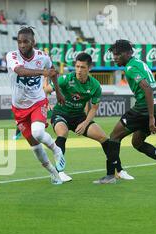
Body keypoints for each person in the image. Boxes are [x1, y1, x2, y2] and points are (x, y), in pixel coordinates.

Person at [95, 39, 156, 184]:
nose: (115, 57)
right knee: (137, 142)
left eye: (118, 54)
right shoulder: (140, 63)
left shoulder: (131, 67)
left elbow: (146, 88)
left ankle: (110, 176)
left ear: (128, 53)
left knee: (114, 136)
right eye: (114, 54)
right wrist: (153, 115)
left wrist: (150, 117)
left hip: (145, 108)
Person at [44, 53, 134, 183]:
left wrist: (85, 123)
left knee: (104, 138)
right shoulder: (66, 79)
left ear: (89, 68)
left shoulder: (95, 85)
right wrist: (46, 104)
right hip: (60, 114)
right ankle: (59, 172)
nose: (79, 70)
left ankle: (119, 170)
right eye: (77, 66)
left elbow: (94, 108)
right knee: (62, 133)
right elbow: (46, 90)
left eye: (83, 67)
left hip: (79, 117)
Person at [6, 27, 66, 185]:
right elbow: (20, 71)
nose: (22, 45)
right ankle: (53, 172)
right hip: (18, 108)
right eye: (19, 41)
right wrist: (42, 72)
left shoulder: (43, 57)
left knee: (38, 133)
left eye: (26, 41)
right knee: (34, 144)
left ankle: (56, 150)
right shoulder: (12, 56)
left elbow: (53, 72)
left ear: (33, 42)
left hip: (37, 101)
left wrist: (58, 93)